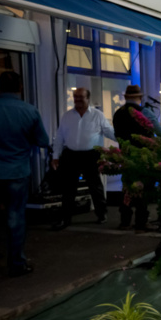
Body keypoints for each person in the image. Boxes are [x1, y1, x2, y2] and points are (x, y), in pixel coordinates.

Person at [0, 71, 49, 276]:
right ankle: (16, 263)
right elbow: (42, 141)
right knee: (16, 217)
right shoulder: (29, 111)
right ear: (20, 88)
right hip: (17, 171)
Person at [51, 88, 116, 230]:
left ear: (88, 98)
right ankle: (65, 218)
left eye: (81, 97)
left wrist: (123, 141)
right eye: (75, 97)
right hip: (71, 155)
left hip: (91, 155)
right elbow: (60, 137)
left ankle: (102, 214)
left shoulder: (97, 115)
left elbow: (109, 132)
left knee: (95, 186)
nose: (77, 100)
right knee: (68, 188)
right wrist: (55, 156)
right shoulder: (67, 116)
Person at [112, 84, 161, 232]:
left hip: (125, 155)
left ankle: (125, 221)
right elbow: (160, 132)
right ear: (140, 98)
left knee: (128, 187)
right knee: (143, 188)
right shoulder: (145, 112)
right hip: (144, 157)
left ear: (126, 97)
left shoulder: (118, 114)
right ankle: (141, 223)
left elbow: (116, 134)